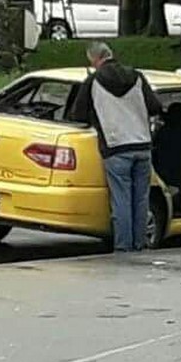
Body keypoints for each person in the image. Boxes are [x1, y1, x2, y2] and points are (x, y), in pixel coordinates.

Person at [71, 42, 162, 252]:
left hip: (116, 147)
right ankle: (140, 244)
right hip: (142, 145)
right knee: (141, 200)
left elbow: (78, 114)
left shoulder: (93, 81)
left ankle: (123, 247)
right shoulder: (137, 77)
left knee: (121, 200)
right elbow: (155, 106)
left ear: (95, 59)